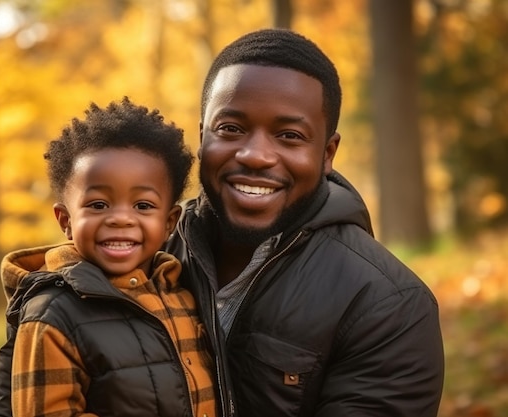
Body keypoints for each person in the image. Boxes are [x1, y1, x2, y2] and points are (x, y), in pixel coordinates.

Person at [164, 28, 445, 416]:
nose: (256, 155)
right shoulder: (141, 257)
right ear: (201, 137)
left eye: (289, 135)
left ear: (327, 153)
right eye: (231, 128)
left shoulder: (389, 306)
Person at [0, 97, 226, 417]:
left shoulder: (184, 294)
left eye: (143, 206)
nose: (121, 219)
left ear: (169, 223)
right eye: (99, 205)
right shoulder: (52, 314)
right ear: (66, 221)